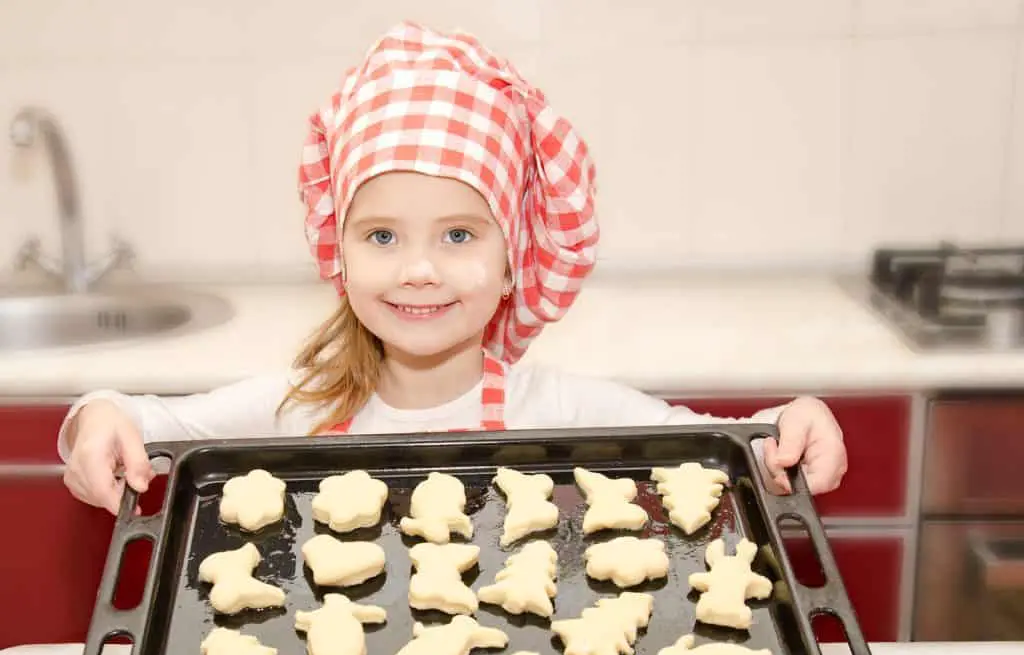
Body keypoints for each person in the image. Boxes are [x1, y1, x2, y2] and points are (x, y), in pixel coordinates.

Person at [58, 21, 847, 516]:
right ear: (338, 250)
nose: (420, 270)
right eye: (382, 237)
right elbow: (141, 420)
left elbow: (719, 446)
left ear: (517, 259)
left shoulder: (558, 410)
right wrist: (97, 420)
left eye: (461, 236)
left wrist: (792, 426)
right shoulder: (300, 406)